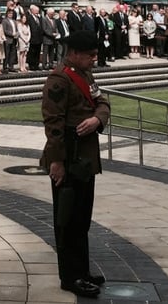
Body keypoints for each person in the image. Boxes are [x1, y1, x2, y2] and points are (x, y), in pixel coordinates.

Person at [40, 30, 110, 299]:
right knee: (66, 220)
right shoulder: (59, 79)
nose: (95, 59)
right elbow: (53, 124)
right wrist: (56, 161)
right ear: (75, 54)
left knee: (81, 219)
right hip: (68, 156)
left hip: (85, 157)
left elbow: (102, 102)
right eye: (91, 55)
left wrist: (97, 120)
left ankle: (82, 270)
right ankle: (70, 277)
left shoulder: (86, 74)